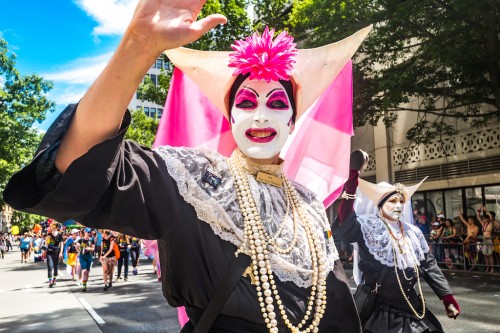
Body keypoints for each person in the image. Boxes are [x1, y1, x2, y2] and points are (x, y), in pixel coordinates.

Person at [3, 1, 372, 332]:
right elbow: (79, 166)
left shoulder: (308, 205)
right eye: (247, 102)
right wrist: (138, 46)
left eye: (277, 103)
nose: (261, 114)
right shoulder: (195, 181)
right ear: (230, 116)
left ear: (292, 120)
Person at [333, 151, 460, 332]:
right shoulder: (368, 227)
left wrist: (447, 297)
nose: (398, 205)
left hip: (412, 307)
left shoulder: (413, 233)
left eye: (401, 201)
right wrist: (352, 180)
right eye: (392, 201)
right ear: (380, 205)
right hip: (379, 311)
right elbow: (345, 221)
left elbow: (429, 266)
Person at [45, 222, 64, 287]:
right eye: (52, 227)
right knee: (50, 266)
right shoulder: (49, 235)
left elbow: (61, 244)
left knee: (56, 267)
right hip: (49, 252)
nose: (53, 228)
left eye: (54, 227)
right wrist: (45, 249)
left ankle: (54, 279)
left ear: (57, 228)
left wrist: (61, 253)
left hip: (56, 252)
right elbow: (46, 244)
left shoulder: (60, 235)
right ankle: (50, 281)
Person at [477, 206, 494, 273]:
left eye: (484, 218)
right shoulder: (483, 224)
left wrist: (486, 210)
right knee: (485, 255)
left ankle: (492, 268)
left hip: (489, 239)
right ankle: (487, 267)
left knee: (490, 255)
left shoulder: (490, 223)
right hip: (484, 240)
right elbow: (478, 217)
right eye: (483, 218)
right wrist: (479, 209)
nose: (483, 219)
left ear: (487, 219)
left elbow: (491, 217)